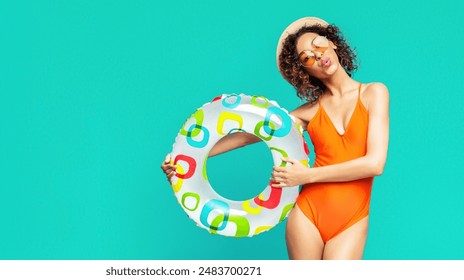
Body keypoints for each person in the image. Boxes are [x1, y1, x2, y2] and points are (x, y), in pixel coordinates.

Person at [160, 17, 389, 260]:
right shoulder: (308, 112)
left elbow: (374, 164)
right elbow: (248, 137)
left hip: (351, 220)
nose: (318, 55)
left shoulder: (374, 93)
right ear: (305, 70)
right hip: (307, 216)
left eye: (318, 44)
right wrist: (185, 156)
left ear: (332, 42)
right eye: (307, 57)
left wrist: (306, 175)